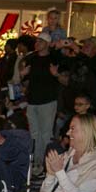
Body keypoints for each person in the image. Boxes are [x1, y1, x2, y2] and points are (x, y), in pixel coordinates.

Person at [18, 32, 63, 171]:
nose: (38, 44)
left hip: (48, 101)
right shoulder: (31, 59)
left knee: (46, 133)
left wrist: (56, 74)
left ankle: (44, 163)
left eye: (41, 41)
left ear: (48, 44)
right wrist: (22, 75)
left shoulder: (54, 58)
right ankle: (35, 162)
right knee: (34, 133)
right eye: (37, 41)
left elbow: (62, 78)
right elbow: (24, 81)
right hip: (33, 101)